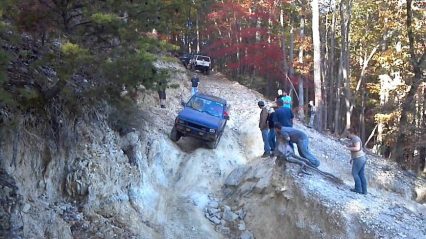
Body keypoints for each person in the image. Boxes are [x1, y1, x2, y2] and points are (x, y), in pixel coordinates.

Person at [346, 127, 367, 194]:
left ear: (351, 133)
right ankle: (364, 190)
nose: (348, 135)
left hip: (359, 158)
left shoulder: (355, 138)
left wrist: (348, 148)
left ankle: (358, 189)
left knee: (354, 173)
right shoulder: (355, 139)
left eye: (348, 133)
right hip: (361, 157)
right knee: (361, 174)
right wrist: (352, 158)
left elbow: (357, 148)